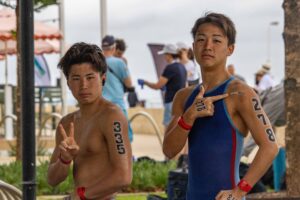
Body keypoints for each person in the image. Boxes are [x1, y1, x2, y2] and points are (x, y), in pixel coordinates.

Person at [162, 13, 279, 200]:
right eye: (201, 39)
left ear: (230, 49)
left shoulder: (241, 93)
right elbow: (169, 150)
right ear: (193, 47)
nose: (208, 46)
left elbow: (270, 146)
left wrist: (240, 190)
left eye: (216, 40)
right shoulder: (183, 97)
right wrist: (189, 117)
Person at [47, 42, 132, 199]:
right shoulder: (67, 123)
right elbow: (52, 179)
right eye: (76, 78)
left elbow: (123, 176)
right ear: (68, 83)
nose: (83, 85)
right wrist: (64, 160)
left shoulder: (112, 116)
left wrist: (81, 196)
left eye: (90, 77)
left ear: (103, 78)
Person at [137, 43, 187, 129]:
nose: (164, 57)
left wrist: (145, 82)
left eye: (165, 55)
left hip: (171, 102)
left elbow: (157, 86)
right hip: (181, 102)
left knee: (168, 129)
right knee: (178, 129)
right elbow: (185, 85)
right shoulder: (182, 67)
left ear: (169, 55)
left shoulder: (170, 68)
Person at [101, 35, 134, 142]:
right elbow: (129, 83)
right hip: (117, 103)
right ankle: (127, 158)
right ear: (114, 47)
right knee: (124, 135)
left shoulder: (96, 63)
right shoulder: (119, 62)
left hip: (100, 104)